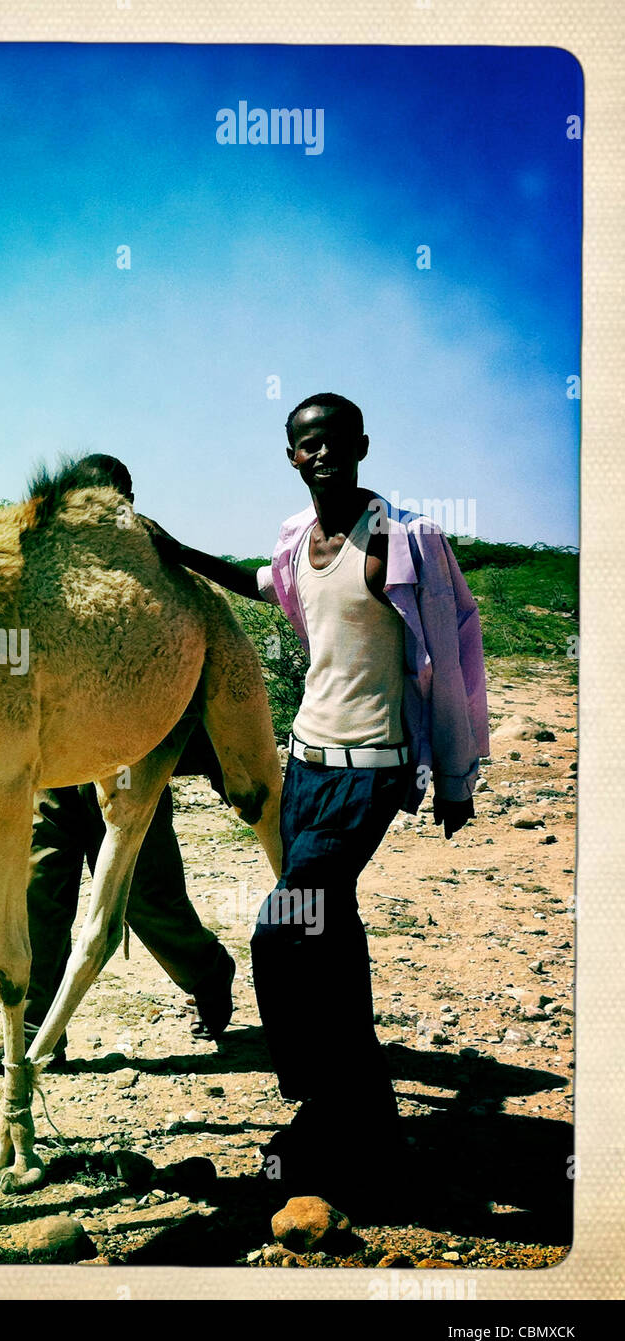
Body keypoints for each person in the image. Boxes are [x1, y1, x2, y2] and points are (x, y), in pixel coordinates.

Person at [149, 393, 490, 1201]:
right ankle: (365, 1117)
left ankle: (321, 1103)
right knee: (331, 937)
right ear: (292, 457)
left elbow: (455, 646)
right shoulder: (301, 542)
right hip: (304, 764)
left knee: (283, 928)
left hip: (370, 771)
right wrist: (179, 553)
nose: (324, 452)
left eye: (337, 438)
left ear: (362, 444)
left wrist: (454, 773)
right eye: (309, 443)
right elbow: (263, 585)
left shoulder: (406, 541)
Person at [0, 455, 239, 1094]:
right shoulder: (39, 561)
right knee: (39, 886)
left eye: (113, 496)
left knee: (150, 902)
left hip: (130, 769)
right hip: (55, 768)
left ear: (129, 498)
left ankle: (208, 974)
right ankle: (38, 1033)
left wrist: (221, 764)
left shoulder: (152, 564)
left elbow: (188, 658)